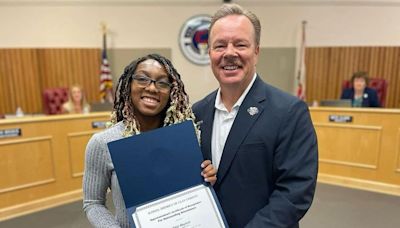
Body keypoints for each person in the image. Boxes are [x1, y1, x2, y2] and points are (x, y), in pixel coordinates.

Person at [193, 4, 318, 228]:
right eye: (219, 45)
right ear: (210, 53)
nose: (229, 53)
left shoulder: (289, 111)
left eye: (240, 44)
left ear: (257, 51)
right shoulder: (197, 113)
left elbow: (294, 192)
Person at [82, 54, 217, 228]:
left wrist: (208, 178)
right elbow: (93, 203)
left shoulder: (187, 140)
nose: (152, 88)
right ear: (129, 85)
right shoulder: (103, 143)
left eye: (162, 82)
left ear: (171, 92)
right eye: (143, 79)